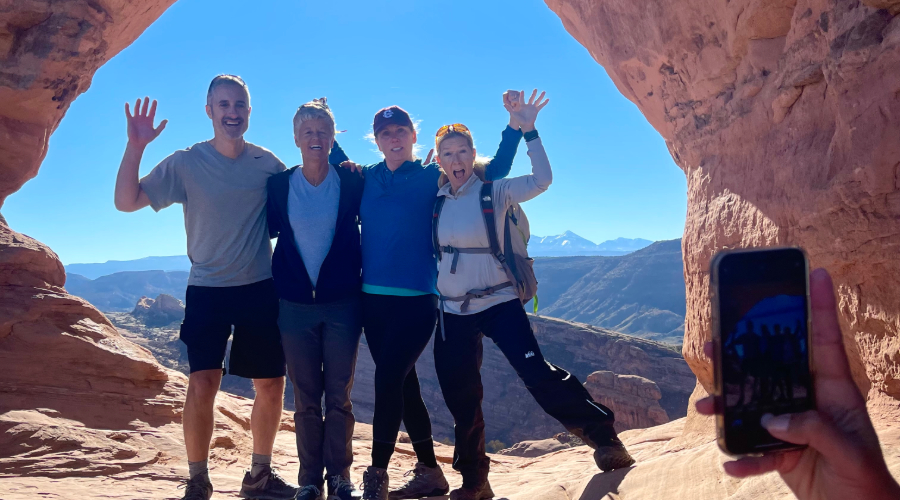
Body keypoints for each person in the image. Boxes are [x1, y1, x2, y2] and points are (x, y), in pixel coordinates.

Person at [431, 90, 635, 500]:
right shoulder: (433, 199)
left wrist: (529, 130)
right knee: (461, 394)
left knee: (538, 376)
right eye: (447, 154)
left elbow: (543, 180)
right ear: (438, 160)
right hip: (452, 311)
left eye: (462, 152)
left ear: (473, 155)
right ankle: (475, 481)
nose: (455, 160)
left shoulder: (495, 190)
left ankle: (604, 438)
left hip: (499, 302)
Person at [327, 95, 524, 500]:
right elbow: (330, 148)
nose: (394, 138)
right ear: (377, 140)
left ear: (414, 135)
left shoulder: (433, 175)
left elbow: (494, 171)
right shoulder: (364, 176)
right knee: (404, 385)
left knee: (387, 378)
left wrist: (514, 127)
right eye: (385, 133)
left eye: (401, 130)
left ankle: (376, 476)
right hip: (372, 301)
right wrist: (326, 121)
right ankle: (430, 472)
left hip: (418, 300)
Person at [113, 75, 297, 500]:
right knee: (203, 381)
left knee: (270, 383)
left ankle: (259, 476)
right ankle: (197, 479)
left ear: (249, 111)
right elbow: (126, 201)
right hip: (207, 288)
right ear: (209, 109)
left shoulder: (267, 163)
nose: (233, 113)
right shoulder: (186, 163)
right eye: (224, 105)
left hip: (259, 286)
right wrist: (136, 145)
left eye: (240, 105)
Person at [695, 268, 900, 500]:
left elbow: (782, 339)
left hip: (772, 363)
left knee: (771, 388)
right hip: (767, 363)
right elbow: (774, 339)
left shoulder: (769, 337)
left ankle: (769, 406)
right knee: (767, 388)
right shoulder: (767, 337)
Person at [266, 99, 364, 500]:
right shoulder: (278, 185)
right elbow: (267, 233)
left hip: (342, 303)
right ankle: (309, 480)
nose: (315, 138)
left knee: (338, 395)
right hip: (293, 306)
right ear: (295, 138)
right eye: (307, 131)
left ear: (332, 137)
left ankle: (339, 476)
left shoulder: (352, 181)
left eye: (323, 130)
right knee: (305, 398)